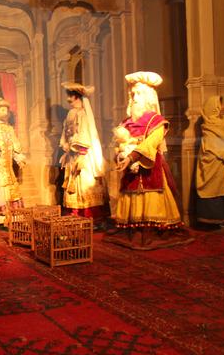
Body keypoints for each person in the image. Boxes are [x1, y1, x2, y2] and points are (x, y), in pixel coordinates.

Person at [104, 71, 193, 250]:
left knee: (153, 195)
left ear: (148, 97)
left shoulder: (157, 121)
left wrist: (131, 156)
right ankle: (133, 227)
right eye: (132, 94)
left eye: (138, 94)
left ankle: (152, 229)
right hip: (130, 171)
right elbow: (117, 144)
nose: (134, 98)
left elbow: (150, 144)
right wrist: (120, 155)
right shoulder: (125, 123)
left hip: (150, 168)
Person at [58, 82, 108, 223]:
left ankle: (88, 215)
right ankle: (74, 214)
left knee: (84, 182)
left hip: (82, 154)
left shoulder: (82, 115)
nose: (68, 98)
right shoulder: (71, 113)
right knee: (73, 183)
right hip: (72, 154)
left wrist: (80, 152)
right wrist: (65, 144)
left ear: (76, 97)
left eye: (70, 95)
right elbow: (66, 132)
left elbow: (85, 134)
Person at [195, 95, 224, 226]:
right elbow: (213, 144)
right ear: (214, 108)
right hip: (211, 162)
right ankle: (211, 221)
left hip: (222, 163)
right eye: (220, 105)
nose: (223, 108)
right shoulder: (208, 125)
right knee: (210, 188)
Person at [0, 96, 26, 212]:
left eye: (6, 110)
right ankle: (0, 214)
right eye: (2, 109)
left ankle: (12, 214)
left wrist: (18, 157)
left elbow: (15, 145)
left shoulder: (9, 129)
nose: (5, 112)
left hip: (9, 168)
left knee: (11, 187)